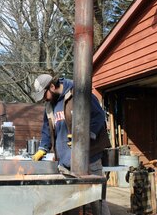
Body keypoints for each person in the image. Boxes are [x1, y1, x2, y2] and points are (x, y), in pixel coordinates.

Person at [32, 74, 111, 215]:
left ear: (51, 86)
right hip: (65, 163)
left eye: (44, 95)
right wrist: (42, 149)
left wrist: (84, 136)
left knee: (97, 200)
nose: (43, 99)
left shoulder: (79, 93)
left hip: (89, 158)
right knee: (69, 203)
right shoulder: (50, 106)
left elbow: (98, 116)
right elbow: (46, 129)